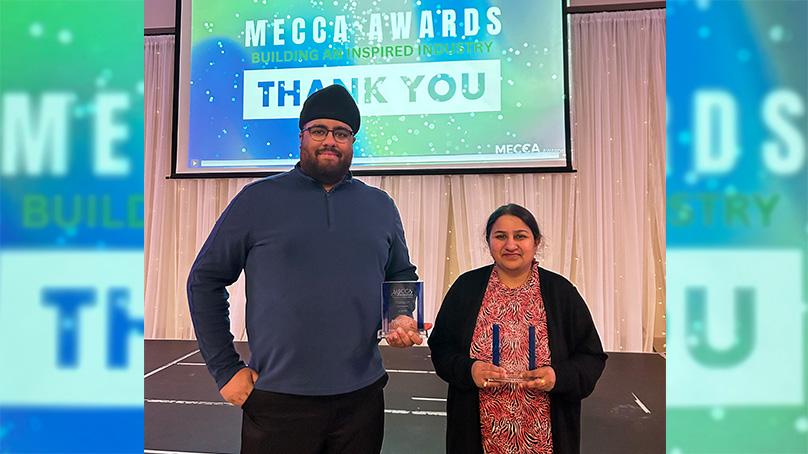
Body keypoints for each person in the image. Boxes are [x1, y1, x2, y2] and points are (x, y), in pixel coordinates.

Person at [187, 84, 426, 454]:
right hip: (278, 400)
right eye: (319, 130)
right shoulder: (257, 200)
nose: (330, 141)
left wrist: (400, 315)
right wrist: (224, 369)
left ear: (352, 141)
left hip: (361, 400)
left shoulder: (380, 206)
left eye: (341, 133)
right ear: (301, 136)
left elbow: (401, 274)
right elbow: (205, 280)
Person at [428, 204, 607, 454]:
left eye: (520, 236)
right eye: (500, 236)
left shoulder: (561, 292)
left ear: (536, 242)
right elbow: (441, 349)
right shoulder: (466, 288)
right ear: (488, 242)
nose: (510, 245)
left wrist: (557, 376)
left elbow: (591, 357)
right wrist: (469, 370)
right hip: (478, 436)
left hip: (546, 438)